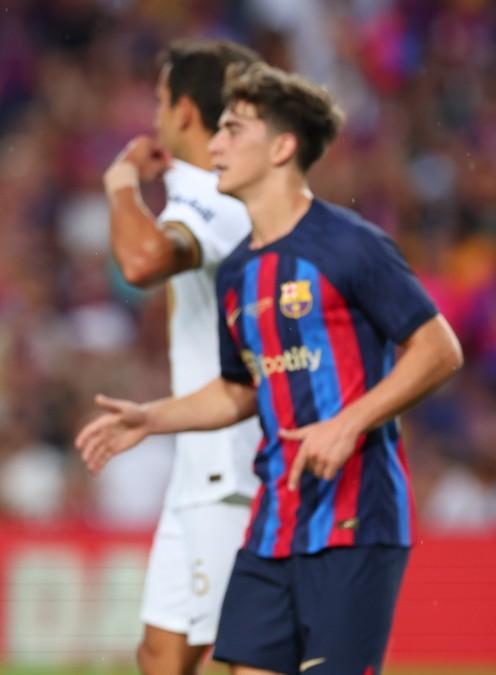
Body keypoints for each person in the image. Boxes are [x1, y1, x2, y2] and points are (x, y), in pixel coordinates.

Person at [76, 61, 463, 675]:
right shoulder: (238, 272)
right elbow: (239, 390)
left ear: (282, 147)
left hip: (355, 516)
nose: (217, 144)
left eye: (234, 129)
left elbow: (439, 347)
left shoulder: (350, 244)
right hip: (273, 521)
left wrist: (348, 423)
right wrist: (152, 418)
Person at [96, 39, 262, 675]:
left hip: (229, 463)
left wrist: (119, 185)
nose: (156, 113)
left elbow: (141, 261)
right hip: (199, 464)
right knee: (162, 655)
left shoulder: (214, 197)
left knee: (230, 655)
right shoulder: (206, 193)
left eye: (163, 100)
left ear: (187, 110)